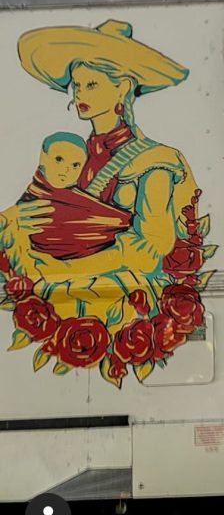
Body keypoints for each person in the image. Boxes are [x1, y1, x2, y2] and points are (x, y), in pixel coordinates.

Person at [0, 20, 210, 382]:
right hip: (63, 297)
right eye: (77, 84)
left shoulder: (154, 159)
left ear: (123, 88)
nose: (80, 93)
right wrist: (15, 222)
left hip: (122, 304)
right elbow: (35, 209)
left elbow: (152, 246)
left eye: (92, 84)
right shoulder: (70, 157)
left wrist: (68, 269)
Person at [20, 131, 132, 260]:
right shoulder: (28, 203)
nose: (66, 170)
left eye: (75, 165)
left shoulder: (80, 198)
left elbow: (120, 223)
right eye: (59, 159)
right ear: (43, 158)